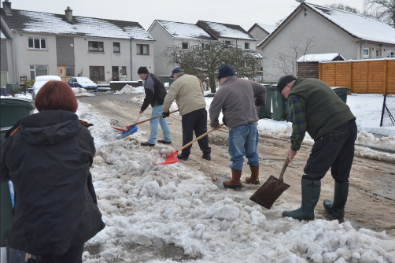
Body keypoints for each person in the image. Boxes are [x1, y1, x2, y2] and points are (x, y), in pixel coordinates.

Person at [0, 81, 105, 262]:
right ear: (72, 103)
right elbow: (86, 163)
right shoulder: (82, 133)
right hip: (74, 221)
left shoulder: (16, 136)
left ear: (39, 102)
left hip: (34, 222)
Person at [278, 75, 357, 221]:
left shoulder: (296, 93)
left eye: (284, 93)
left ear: (289, 86)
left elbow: (299, 123)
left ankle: (306, 211)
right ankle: (338, 209)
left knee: (313, 171)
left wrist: (294, 147)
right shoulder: (313, 82)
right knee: (341, 171)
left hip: (331, 130)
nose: (286, 97)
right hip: (349, 124)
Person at [209, 65, 267, 189]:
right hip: (252, 125)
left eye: (219, 79)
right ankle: (254, 177)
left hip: (237, 126)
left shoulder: (223, 89)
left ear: (224, 77)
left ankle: (235, 181)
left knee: (237, 154)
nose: (219, 82)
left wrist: (214, 123)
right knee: (252, 153)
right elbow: (262, 89)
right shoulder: (247, 83)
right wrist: (259, 103)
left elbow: (214, 108)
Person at [162, 68, 211, 161]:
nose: (174, 78)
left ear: (175, 75)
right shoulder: (195, 78)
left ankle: (185, 155)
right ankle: (206, 153)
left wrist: (165, 111)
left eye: (173, 77)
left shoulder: (176, 83)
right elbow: (201, 91)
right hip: (201, 108)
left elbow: (169, 98)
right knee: (202, 132)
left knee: (187, 133)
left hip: (189, 111)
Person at [138, 66, 172, 146]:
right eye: (139, 74)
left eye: (141, 74)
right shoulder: (151, 76)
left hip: (159, 102)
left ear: (145, 73)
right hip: (163, 101)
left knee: (153, 121)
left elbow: (148, 97)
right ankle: (167, 139)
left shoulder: (149, 81)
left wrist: (143, 108)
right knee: (162, 120)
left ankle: (151, 141)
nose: (140, 76)